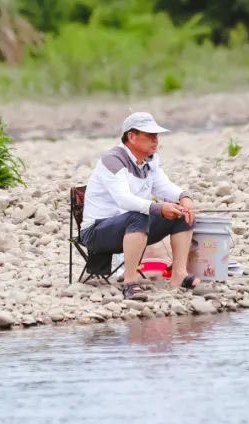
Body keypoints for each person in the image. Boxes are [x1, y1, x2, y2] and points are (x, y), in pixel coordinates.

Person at [79, 112, 198, 300]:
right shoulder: (112, 160)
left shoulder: (151, 160)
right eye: (149, 135)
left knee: (182, 213)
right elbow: (124, 200)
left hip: (134, 228)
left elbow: (163, 186)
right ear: (132, 137)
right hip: (96, 232)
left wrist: (184, 197)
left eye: (156, 135)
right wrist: (158, 208)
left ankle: (179, 275)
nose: (155, 140)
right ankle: (130, 282)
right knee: (138, 215)